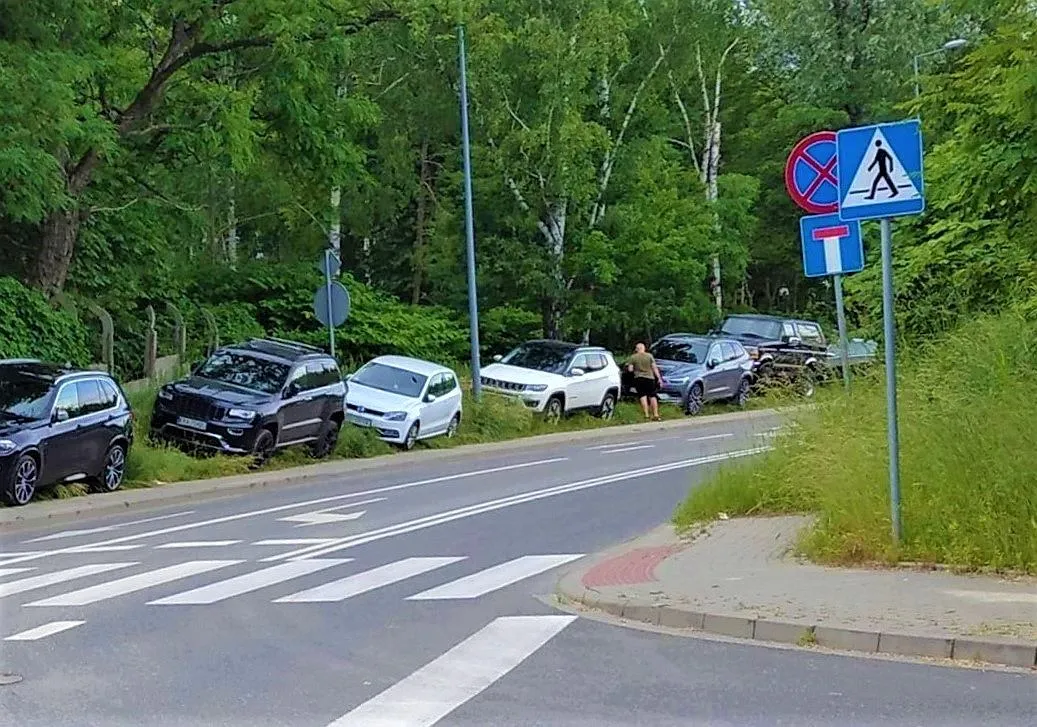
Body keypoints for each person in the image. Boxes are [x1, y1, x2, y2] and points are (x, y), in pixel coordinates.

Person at [627, 342, 663, 421]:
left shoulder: (633, 357)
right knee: (652, 396)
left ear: (637, 349)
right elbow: (654, 368)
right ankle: (656, 414)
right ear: (644, 348)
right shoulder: (649, 356)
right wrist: (659, 378)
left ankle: (646, 415)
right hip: (650, 378)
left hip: (639, 379)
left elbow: (630, 369)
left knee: (642, 396)